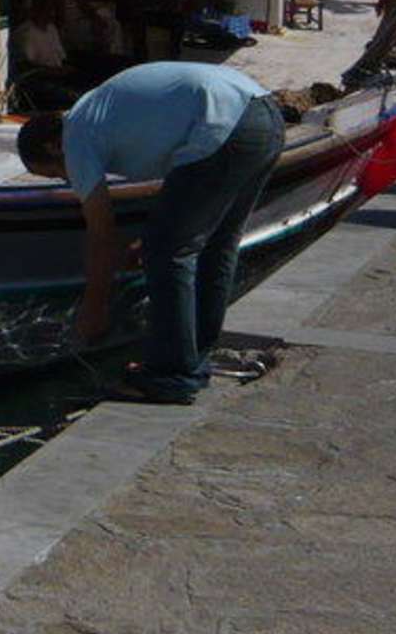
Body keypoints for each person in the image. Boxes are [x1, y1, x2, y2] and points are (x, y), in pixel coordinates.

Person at [16, 61, 285, 403]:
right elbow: (184, 186)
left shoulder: (75, 137)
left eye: (55, 173)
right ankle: (192, 361)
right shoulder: (97, 112)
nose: (66, 180)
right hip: (264, 116)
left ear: (53, 147)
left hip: (225, 126)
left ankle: (171, 375)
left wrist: (94, 309)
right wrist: (153, 236)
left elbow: (102, 232)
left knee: (168, 253)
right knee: (215, 245)